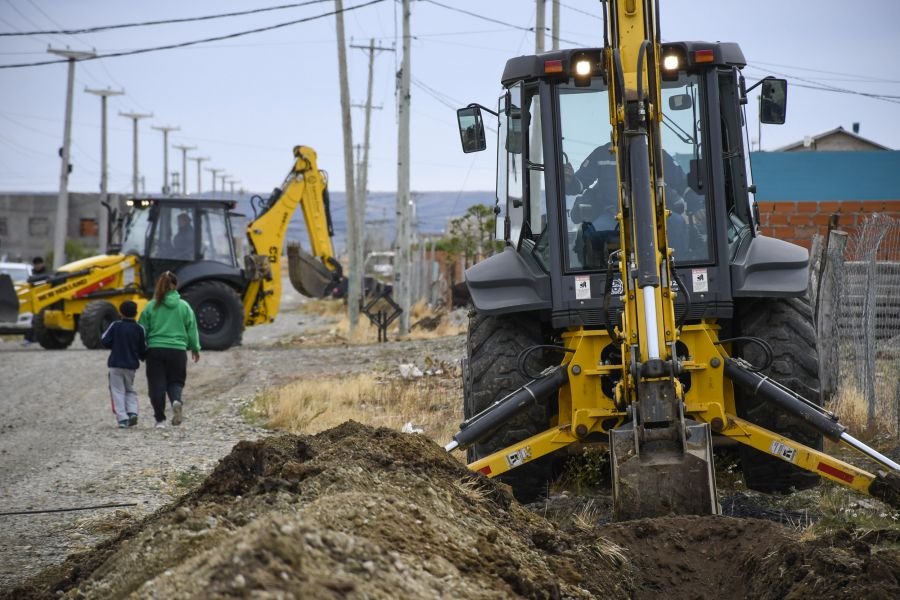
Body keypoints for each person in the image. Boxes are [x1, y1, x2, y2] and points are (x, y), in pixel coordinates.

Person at [138, 271, 201, 427]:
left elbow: (141, 330)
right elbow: (192, 329)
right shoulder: (184, 306)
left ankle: (160, 420)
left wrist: (141, 350)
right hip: (178, 350)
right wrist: (195, 348)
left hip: (155, 350)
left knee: (156, 385)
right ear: (175, 286)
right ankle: (176, 400)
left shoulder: (151, 306)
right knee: (176, 381)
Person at [101, 300, 147, 428]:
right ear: (136, 313)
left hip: (115, 364)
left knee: (117, 391)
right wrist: (142, 357)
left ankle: (122, 419)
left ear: (120, 313)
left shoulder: (115, 326)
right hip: (131, 365)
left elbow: (104, 340)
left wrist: (113, 345)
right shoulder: (139, 328)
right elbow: (143, 348)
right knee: (129, 390)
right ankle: (132, 412)